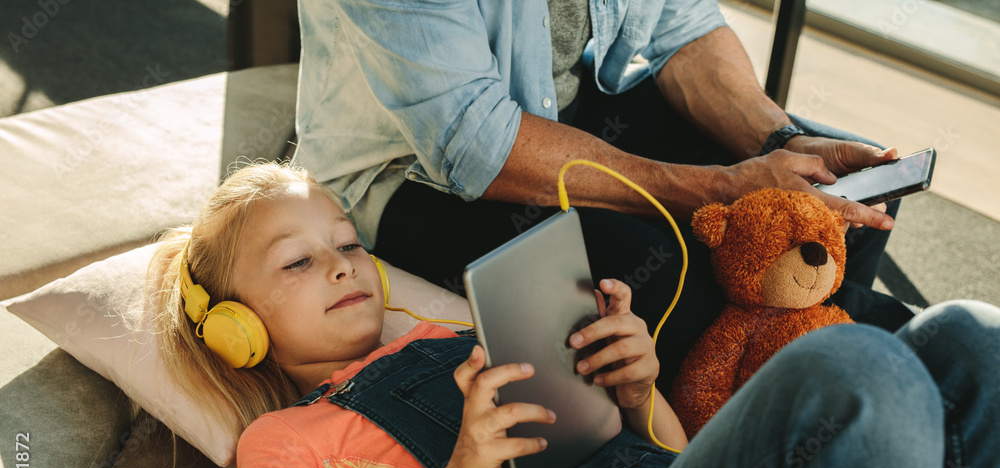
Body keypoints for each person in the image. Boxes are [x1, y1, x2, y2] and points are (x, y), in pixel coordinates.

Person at [149, 163, 1000, 468]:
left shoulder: (462, 329)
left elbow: (668, 460)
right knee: (846, 368)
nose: (342, 266)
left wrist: (637, 390)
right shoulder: (284, 439)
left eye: (346, 242)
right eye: (298, 261)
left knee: (969, 338)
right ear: (239, 330)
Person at [291, 0, 916, 381]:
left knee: (839, 205)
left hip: (552, 106)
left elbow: (687, 27)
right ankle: (882, 382)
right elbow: (475, 142)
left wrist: (774, 143)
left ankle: (843, 375)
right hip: (411, 170)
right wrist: (719, 189)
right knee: (668, 275)